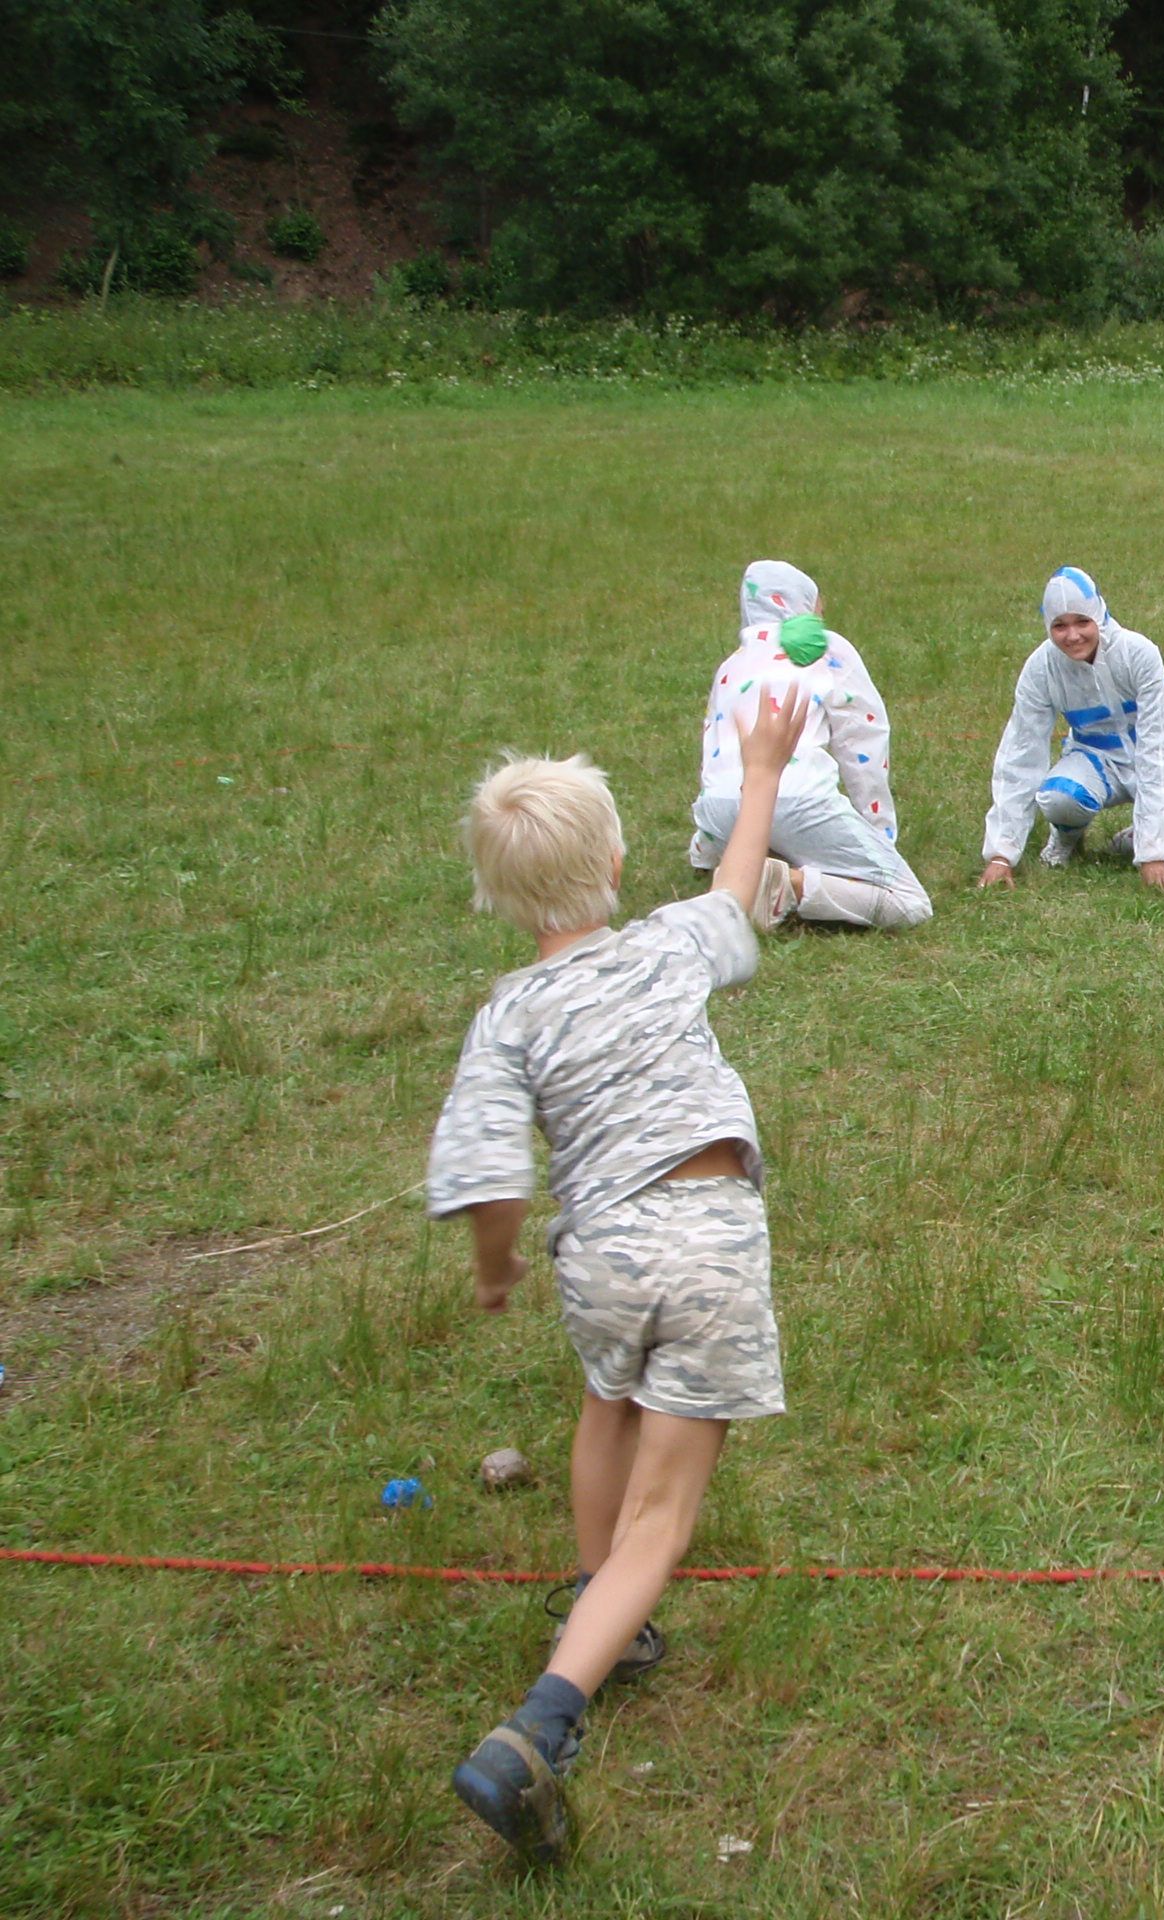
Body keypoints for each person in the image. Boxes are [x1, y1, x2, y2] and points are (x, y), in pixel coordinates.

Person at [430, 680, 811, 1860]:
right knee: (665, 1514)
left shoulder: (506, 1016)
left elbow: (489, 1172)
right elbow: (735, 889)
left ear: (495, 896)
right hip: (704, 1241)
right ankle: (543, 1726)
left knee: (608, 1400)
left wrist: (497, 1265)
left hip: (596, 1252)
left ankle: (603, 1608)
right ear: (614, 858)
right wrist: (761, 772)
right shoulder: (663, 946)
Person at [689, 561, 933, 931]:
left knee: (784, 841)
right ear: (804, 606)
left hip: (721, 811)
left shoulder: (731, 664)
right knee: (911, 903)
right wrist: (880, 834)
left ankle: (748, 876)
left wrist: (705, 849)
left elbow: (715, 756)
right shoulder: (828, 649)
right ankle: (790, 886)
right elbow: (863, 741)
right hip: (798, 799)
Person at [978, 566, 1164, 891]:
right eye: (1060, 625)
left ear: (1099, 616)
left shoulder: (1139, 654)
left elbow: (1156, 748)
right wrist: (1001, 854)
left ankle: (1135, 838)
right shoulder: (1041, 668)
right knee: (1060, 797)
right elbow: (1021, 754)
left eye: (1082, 621)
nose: (1073, 636)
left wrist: (1152, 851)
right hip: (1096, 758)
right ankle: (1065, 840)